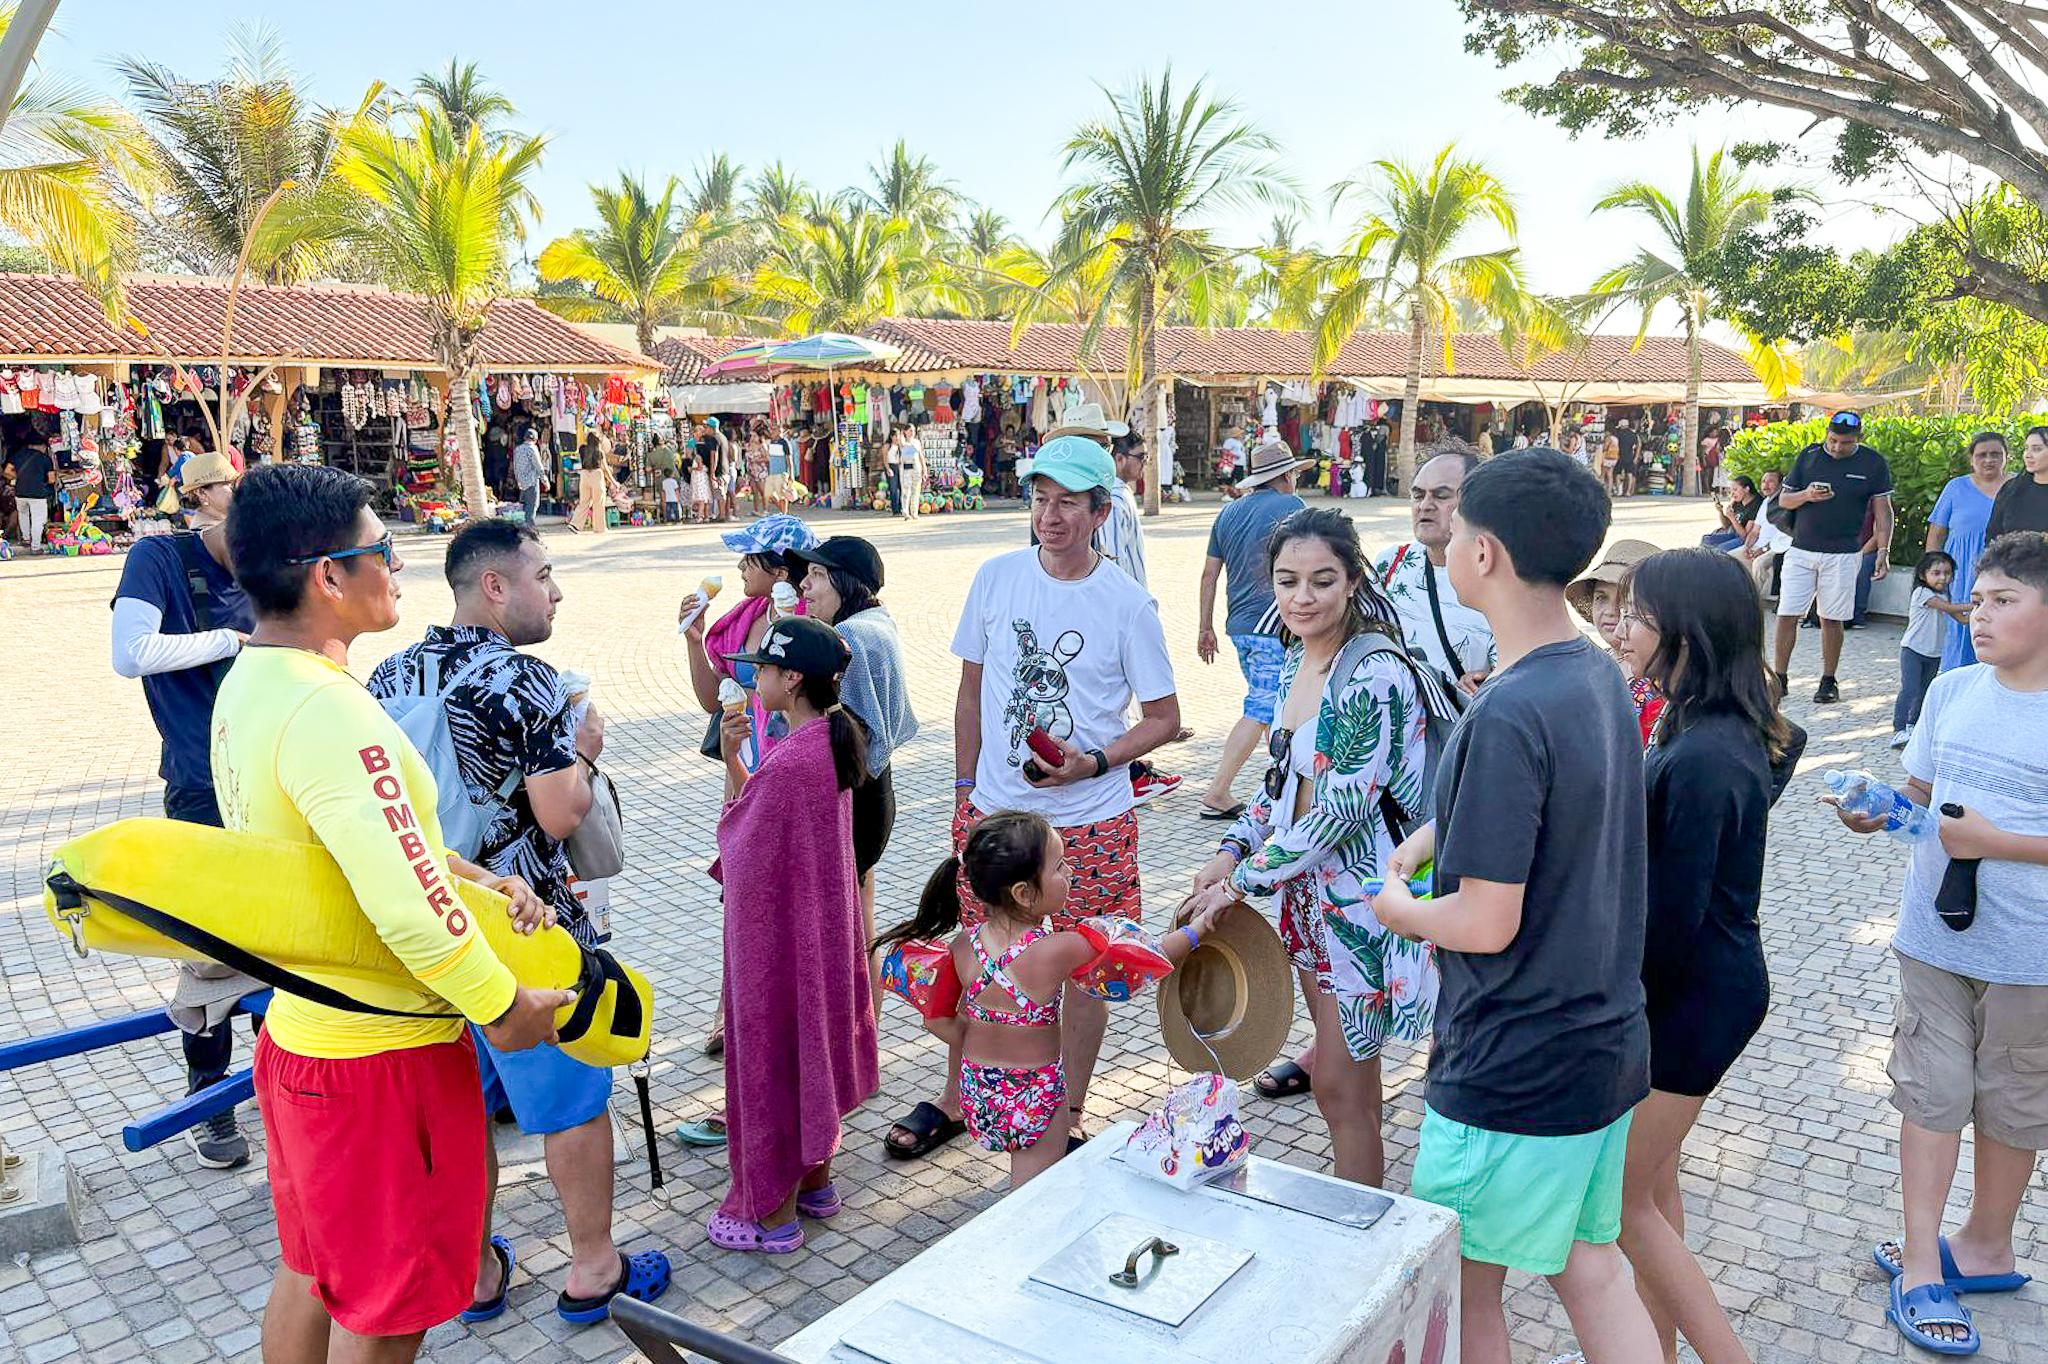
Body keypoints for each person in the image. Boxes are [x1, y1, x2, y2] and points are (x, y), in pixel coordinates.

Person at [213, 463, 570, 1362]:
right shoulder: (337, 714)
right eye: (382, 548)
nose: (399, 564)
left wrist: (474, 878)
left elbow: (361, 847)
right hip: (380, 1061)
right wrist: (501, 1005)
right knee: (388, 1304)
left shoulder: (252, 684)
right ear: (327, 575)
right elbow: (409, 915)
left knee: (311, 1268)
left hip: (301, 1033)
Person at [1371, 449, 1662, 1364]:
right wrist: (1431, 836)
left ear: (1484, 553)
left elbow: (1485, 921)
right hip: (1601, 1040)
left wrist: (1394, 906)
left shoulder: (1509, 710)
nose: (1444, 543)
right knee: (1590, 1264)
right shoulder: (1591, 672)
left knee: (1459, 1285)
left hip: (1513, 1056)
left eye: (1453, 528)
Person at [366, 519, 671, 1327]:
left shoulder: (391, 672)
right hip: (523, 922)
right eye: (544, 573)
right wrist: (589, 750)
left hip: (429, 926)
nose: (557, 590)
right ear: (494, 587)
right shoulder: (523, 679)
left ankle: (475, 1275)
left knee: (460, 1111)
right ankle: (594, 1267)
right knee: (568, 1097)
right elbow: (561, 813)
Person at [884, 436, 1180, 1162]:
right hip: (995, 812)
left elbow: (1164, 717)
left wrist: (1094, 763)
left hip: (1092, 823)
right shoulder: (996, 577)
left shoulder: (1127, 604)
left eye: (1068, 504)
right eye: (1041, 500)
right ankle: (959, 1095)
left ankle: (1068, 1106)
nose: (1050, 517)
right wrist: (962, 791)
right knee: (980, 957)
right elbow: (970, 691)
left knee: (1089, 969)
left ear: (1101, 513)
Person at [1832, 532, 2048, 1356]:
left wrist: (1999, 841)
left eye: (2001, 602)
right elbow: (1920, 795)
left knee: (2016, 1103)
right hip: (1934, 938)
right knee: (1930, 1092)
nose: (1977, 615)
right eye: (1977, 598)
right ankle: (1922, 1260)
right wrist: (1876, 808)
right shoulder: (1954, 690)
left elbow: (1977, 833)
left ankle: (1985, 1246)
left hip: (2033, 954)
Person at [1183, 508, 1441, 1186]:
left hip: (1361, 908)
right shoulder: (1300, 656)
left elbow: (1339, 811)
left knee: (1344, 1088)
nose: (1303, 597)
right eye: (1287, 580)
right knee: (1334, 1083)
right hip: (1308, 903)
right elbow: (1280, 785)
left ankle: (1363, 1230)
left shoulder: (1372, 673)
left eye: (1322, 581)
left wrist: (1240, 884)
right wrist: (1233, 849)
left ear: (1353, 580)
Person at [1612, 548, 1801, 1364]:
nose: (1621, 627)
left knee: (1621, 1202)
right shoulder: (1704, 722)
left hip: (1693, 996)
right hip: (1696, 985)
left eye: (1639, 614)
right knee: (1651, 1187)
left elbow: (1673, 921)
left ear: (1686, 632)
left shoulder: (1707, 755)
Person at [877, 813, 1217, 1188]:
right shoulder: (1059, 949)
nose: (1070, 872)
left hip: (979, 1090)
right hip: (1034, 1093)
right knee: (1031, 1190)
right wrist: (1198, 928)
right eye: (1059, 866)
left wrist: (977, 1040)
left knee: (1026, 1182)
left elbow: (936, 1020)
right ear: (1024, 892)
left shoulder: (963, 945)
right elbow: (1149, 952)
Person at [710, 616, 879, 1252]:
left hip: (783, 940)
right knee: (815, 1044)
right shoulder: (829, 743)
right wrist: (735, 759)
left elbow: (741, 848)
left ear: (793, 679)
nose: (755, 679)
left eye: (765, 669)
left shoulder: (789, 762)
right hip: (824, 930)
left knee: (778, 1050)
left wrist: (735, 769)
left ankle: (772, 1217)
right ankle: (816, 1183)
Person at [109, 453, 256, 1170]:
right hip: (201, 787)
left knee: (289, 944)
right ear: (202, 500)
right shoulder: (157, 558)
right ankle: (212, 1100)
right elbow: (129, 652)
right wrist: (233, 640)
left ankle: (295, 1090)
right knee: (210, 956)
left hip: (275, 780)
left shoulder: (272, 562)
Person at [678, 513, 815, 1080]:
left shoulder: (807, 620)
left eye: (748, 561)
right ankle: (727, 1006)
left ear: (780, 569)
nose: (737, 570)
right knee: (738, 889)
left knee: (787, 894)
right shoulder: (741, 618)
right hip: (743, 769)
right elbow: (714, 701)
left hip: (790, 773)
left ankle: (788, 1015)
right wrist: (692, 636)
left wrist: (790, 620)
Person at [790, 535, 919, 1015]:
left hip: (854, 795)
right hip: (873, 793)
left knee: (841, 926)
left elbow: (853, 731)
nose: (805, 583)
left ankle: (851, 1038)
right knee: (859, 918)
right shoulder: (874, 621)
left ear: (847, 583)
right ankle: (864, 1035)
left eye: (817, 575)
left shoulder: (852, 640)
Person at [1195, 439, 1308, 820]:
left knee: (1276, 707)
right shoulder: (1293, 508)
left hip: (1239, 626)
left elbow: (1210, 574)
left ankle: (1285, 786)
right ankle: (1217, 792)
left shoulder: (1228, 514)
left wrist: (1204, 626)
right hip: (1272, 625)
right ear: (1287, 475)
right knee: (1261, 707)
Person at [1770, 410, 1894, 703]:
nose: (1838, 447)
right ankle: (1780, 677)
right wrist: (1806, 496)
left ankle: (1828, 680)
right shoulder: (1809, 456)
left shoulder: (1873, 463)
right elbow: (1783, 500)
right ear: (1827, 434)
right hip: (1801, 549)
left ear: (1858, 439)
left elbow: (1883, 510)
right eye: (1834, 440)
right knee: (1787, 613)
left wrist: (1884, 550)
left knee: (1832, 618)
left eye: (1846, 443)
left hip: (1843, 553)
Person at [1094, 433, 1185, 805]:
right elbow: (1111, 560)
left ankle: (1132, 766)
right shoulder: (1113, 500)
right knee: (1118, 698)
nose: (1143, 463)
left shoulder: (1118, 497)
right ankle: (1127, 772)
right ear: (1117, 459)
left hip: (1129, 610)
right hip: (1119, 614)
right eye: (1138, 456)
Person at [1373, 441, 1496, 698]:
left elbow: (1519, 666)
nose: (1424, 505)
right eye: (1418, 495)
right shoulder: (1391, 564)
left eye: (1441, 495)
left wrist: (1490, 683)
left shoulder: (1498, 576)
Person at [1927, 432, 2013, 672]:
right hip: (1959, 575)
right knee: (1957, 638)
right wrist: (1933, 576)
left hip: (2003, 572)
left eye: (1996, 454)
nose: (1989, 460)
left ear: (2007, 457)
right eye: (1982, 455)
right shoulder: (1956, 487)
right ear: (1971, 458)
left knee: (1998, 634)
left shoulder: (2017, 487)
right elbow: (1936, 534)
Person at [1568, 539, 1665, 747]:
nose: (1610, 611)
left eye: (1623, 600)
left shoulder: (1665, 676)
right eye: (1601, 598)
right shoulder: (1586, 664)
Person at [1894, 552, 1956, 749]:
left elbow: (1960, 617)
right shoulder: (1922, 593)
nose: (1942, 577)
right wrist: (1976, 605)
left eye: (1947, 573)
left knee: (1924, 691)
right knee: (1910, 689)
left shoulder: (1945, 595)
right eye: (1936, 573)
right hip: (1913, 650)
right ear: (1923, 575)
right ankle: (1899, 729)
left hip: (1934, 653)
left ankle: (1914, 726)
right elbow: (1949, 609)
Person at [1984, 423, 2048, 541]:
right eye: (2026, 448)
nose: (2028, 455)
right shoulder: (2012, 489)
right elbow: (1992, 536)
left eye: (2037, 449)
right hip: (2009, 558)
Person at [11, 436, 54, 552]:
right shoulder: (45, 459)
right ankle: (35, 546)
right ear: (42, 446)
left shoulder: (18, 455)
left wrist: (19, 478)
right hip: (38, 494)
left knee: (23, 514)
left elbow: (7, 471)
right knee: (38, 519)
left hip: (20, 492)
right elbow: (51, 479)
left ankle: (26, 539)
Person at [1700, 475, 1761, 552]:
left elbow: (1744, 535)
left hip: (1745, 539)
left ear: (1746, 489)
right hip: (1733, 534)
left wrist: (1732, 518)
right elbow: (1726, 525)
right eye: (1731, 490)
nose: (1732, 494)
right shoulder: (1738, 501)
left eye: (1735, 490)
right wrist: (1721, 512)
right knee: (1706, 539)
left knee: (1720, 549)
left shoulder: (1757, 504)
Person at [512, 427, 548, 527]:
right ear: (535, 439)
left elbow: (515, 466)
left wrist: (519, 480)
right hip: (532, 482)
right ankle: (530, 529)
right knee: (532, 506)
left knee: (525, 506)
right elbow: (538, 466)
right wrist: (545, 480)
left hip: (521, 483)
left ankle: (525, 529)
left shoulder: (517, 449)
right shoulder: (532, 448)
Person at [897, 424, 927, 522]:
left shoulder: (917, 442)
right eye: (910, 430)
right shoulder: (903, 442)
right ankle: (905, 512)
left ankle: (914, 512)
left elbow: (921, 456)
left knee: (916, 490)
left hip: (916, 467)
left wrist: (924, 469)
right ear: (906, 432)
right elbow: (901, 443)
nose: (912, 432)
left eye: (913, 430)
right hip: (906, 468)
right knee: (906, 491)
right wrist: (902, 434)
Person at [764, 424, 794, 514]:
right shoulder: (771, 442)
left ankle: (784, 513)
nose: (771, 431)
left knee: (782, 495)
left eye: (774, 430)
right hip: (772, 473)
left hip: (781, 473)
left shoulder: (784, 443)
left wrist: (791, 474)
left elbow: (789, 459)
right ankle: (782, 511)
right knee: (768, 494)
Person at [744, 425, 770, 516]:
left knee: (763, 491)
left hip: (760, 470)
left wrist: (757, 460)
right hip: (751, 471)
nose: (752, 438)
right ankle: (756, 509)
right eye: (751, 436)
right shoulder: (748, 446)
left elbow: (767, 458)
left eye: (754, 436)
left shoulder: (762, 446)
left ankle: (766, 510)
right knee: (754, 491)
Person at [1613, 418, 1639, 497]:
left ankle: (1619, 491)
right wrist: (1636, 457)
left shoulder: (1618, 434)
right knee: (1629, 473)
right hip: (1629, 456)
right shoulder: (1633, 434)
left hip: (1619, 455)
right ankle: (1628, 492)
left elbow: (1615, 445)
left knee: (1617, 473)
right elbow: (1636, 446)